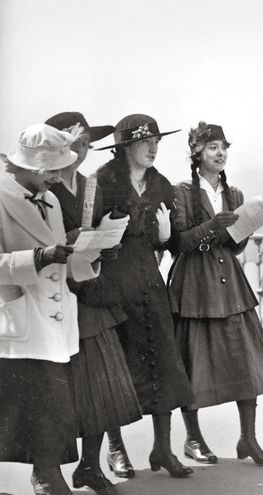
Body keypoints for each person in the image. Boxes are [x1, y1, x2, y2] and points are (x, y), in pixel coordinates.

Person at [167, 122, 263, 466]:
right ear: (197, 154)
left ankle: (248, 439)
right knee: (194, 362)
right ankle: (193, 438)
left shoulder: (234, 194)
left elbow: (234, 247)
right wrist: (212, 227)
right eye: (212, 147)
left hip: (229, 282)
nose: (220, 153)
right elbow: (177, 243)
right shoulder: (182, 193)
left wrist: (243, 228)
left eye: (223, 147)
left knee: (244, 359)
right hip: (194, 283)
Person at [0, 124, 101, 495]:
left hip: (52, 321)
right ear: (38, 167)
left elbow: (59, 259)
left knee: (52, 405)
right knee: (18, 407)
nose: (59, 178)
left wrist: (90, 256)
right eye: (55, 170)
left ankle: (46, 476)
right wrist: (37, 257)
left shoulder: (52, 201)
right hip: (18, 320)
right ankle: (47, 478)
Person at [45, 112, 142, 493]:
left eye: (87, 144)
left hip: (92, 295)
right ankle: (48, 469)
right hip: (55, 293)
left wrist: (108, 246)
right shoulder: (46, 186)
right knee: (59, 389)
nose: (82, 152)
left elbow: (98, 232)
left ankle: (90, 465)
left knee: (101, 386)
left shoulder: (90, 187)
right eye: (75, 144)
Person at [94, 114, 195, 478]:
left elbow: (165, 242)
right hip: (113, 283)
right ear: (125, 147)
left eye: (156, 141)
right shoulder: (103, 182)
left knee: (163, 362)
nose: (153, 147)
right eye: (145, 141)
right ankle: (115, 449)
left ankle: (162, 450)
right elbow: (87, 236)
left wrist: (165, 237)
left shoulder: (161, 184)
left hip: (150, 284)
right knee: (116, 369)